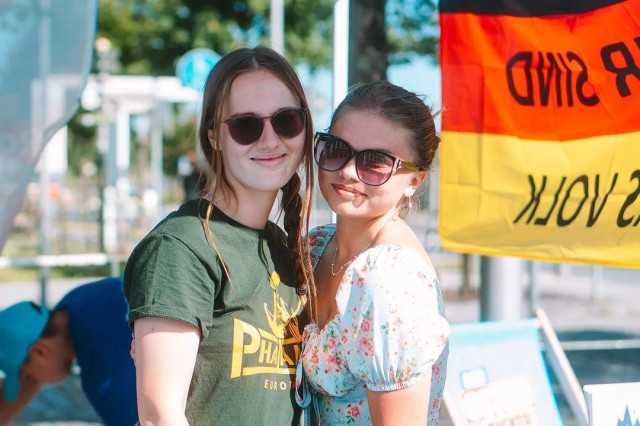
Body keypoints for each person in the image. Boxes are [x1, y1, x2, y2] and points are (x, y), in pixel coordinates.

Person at [124, 46, 315, 425]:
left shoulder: (284, 246)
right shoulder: (180, 247)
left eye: (286, 120)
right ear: (214, 137)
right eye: (246, 125)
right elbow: (160, 417)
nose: (270, 140)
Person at [295, 81, 450, 425]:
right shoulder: (316, 246)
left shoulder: (390, 277)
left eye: (375, 163)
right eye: (336, 149)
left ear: (415, 180)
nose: (348, 171)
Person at [0, 276, 137, 426]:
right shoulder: (75, 301)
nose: (33, 381)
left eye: (29, 376)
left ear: (39, 352)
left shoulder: (103, 378)